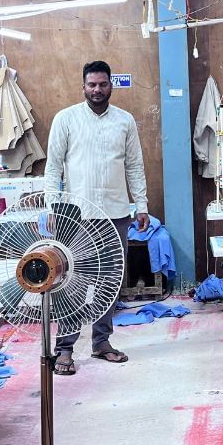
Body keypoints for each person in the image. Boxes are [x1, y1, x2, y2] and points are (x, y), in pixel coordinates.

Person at [45, 60, 150, 377]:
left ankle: (101, 343)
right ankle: (64, 348)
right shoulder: (66, 119)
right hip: (77, 216)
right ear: (83, 86)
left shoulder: (125, 121)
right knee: (74, 283)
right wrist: (53, 206)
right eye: (91, 84)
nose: (97, 90)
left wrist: (141, 204)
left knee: (110, 283)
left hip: (116, 213)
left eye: (102, 84)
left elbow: (134, 166)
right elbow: (53, 168)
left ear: (111, 86)